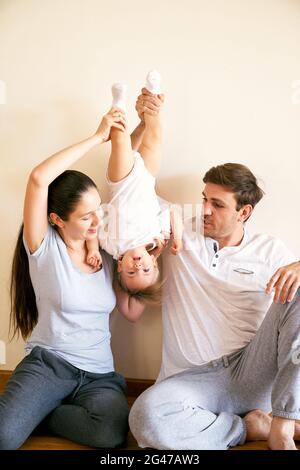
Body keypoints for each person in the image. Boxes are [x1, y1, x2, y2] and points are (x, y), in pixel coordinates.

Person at [129, 97, 300, 450]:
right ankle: (250, 429)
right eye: (204, 199)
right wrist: (146, 123)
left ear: (244, 212)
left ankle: (283, 423)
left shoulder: (270, 250)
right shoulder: (178, 230)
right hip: (193, 383)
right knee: (144, 417)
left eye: (217, 205)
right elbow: (133, 184)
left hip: (252, 370)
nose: (204, 210)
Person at [0, 98, 161, 450]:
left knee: (109, 435)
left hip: (99, 375)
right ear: (57, 220)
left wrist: (140, 125)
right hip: (49, 365)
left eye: (97, 211)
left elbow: (126, 178)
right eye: (86, 217)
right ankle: (32, 407)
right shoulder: (42, 246)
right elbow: (39, 179)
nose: (97, 221)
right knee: (4, 437)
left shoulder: (104, 246)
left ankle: (43, 413)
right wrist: (98, 136)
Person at [86, 72, 183, 308]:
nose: (138, 267)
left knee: (119, 141)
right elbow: (173, 210)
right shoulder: (157, 236)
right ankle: (153, 95)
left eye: (131, 273)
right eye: (146, 270)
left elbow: (92, 226)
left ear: (119, 267)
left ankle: (118, 103)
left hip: (121, 180)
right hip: (148, 176)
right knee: (155, 137)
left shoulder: (112, 245)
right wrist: (177, 238)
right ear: (153, 261)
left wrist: (92, 250)